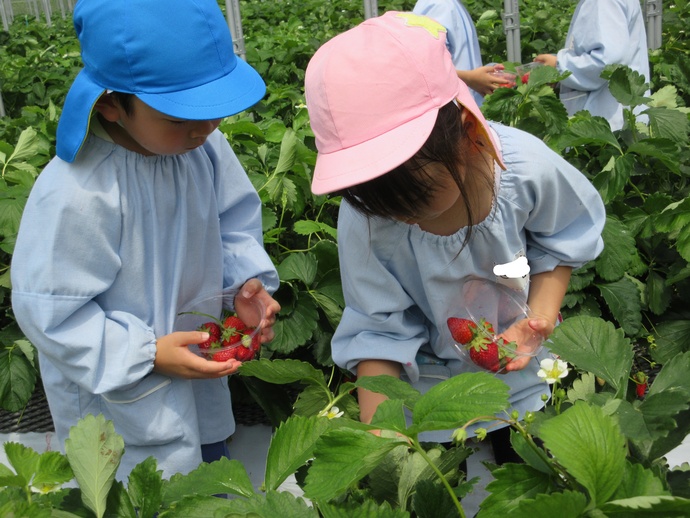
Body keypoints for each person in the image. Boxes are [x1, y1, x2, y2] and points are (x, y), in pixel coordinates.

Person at [305, 12, 605, 461]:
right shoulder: (366, 216)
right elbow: (377, 325)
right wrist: (378, 442)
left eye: (412, 194)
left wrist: (540, 315)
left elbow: (563, 238)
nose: (396, 213)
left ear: (467, 134)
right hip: (430, 393)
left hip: (519, 368)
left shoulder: (526, 170)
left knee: (532, 472)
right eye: (374, 199)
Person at [10, 0, 280, 481]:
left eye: (212, 108)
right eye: (179, 117)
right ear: (112, 103)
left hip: (195, 361)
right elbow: (51, 312)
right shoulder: (79, 192)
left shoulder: (202, 148)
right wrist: (147, 354)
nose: (204, 127)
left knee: (207, 470)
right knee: (138, 488)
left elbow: (234, 220)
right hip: (119, 390)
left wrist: (245, 286)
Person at [534, 0, 651, 131]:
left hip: (605, 126)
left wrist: (558, 66)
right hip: (617, 120)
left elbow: (606, 61)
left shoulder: (602, 3)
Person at [413, 0, 513, 106]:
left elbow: (459, 61)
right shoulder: (439, 6)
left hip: (461, 110)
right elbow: (425, 70)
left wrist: (486, 74)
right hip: (449, 111)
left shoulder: (453, 5)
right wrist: (470, 78)